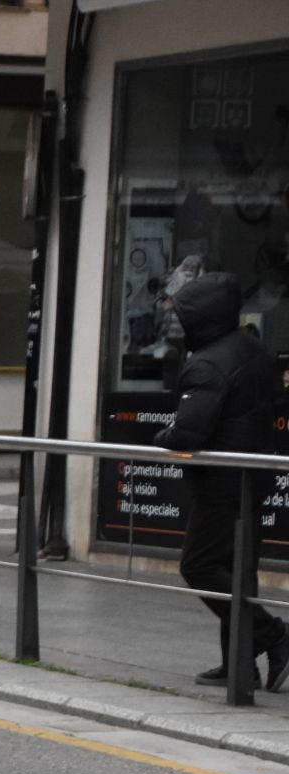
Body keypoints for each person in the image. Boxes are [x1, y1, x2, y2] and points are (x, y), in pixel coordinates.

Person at [154, 271, 289, 692]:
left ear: (201, 317)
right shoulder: (253, 347)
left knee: (199, 565)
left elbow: (188, 433)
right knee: (236, 572)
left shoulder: (208, 362)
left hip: (220, 485)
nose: (177, 323)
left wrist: (161, 435)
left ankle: (274, 636)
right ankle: (239, 666)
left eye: (182, 315)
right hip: (253, 478)